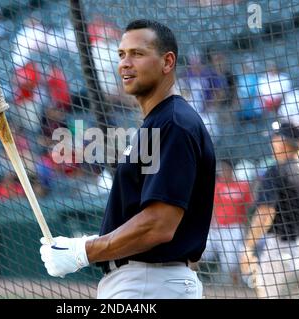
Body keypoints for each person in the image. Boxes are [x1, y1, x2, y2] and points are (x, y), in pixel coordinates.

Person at [40, 19, 216, 299]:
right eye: (121, 54)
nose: (125, 63)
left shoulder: (173, 124)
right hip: (147, 282)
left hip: (148, 283)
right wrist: (87, 244)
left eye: (138, 53)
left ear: (167, 62)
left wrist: (83, 252)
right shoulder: (159, 122)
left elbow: (159, 224)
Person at [240, 120, 299, 298]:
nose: (272, 142)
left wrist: (248, 247)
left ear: (283, 142)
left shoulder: (275, 172)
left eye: (275, 138)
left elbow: (266, 213)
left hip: (283, 256)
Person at [202, 159, 253, 285]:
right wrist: (211, 225)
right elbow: (211, 206)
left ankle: (236, 289)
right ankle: (187, 282)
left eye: (224, 169)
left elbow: (248, 208)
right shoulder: (216, 186)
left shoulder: (243, 185)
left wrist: (247, 229)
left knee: (231, 264)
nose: (222, 172)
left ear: (231, 170)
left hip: (234, 229)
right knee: (196, 252)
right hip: (216, 228)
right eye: (220, 169)